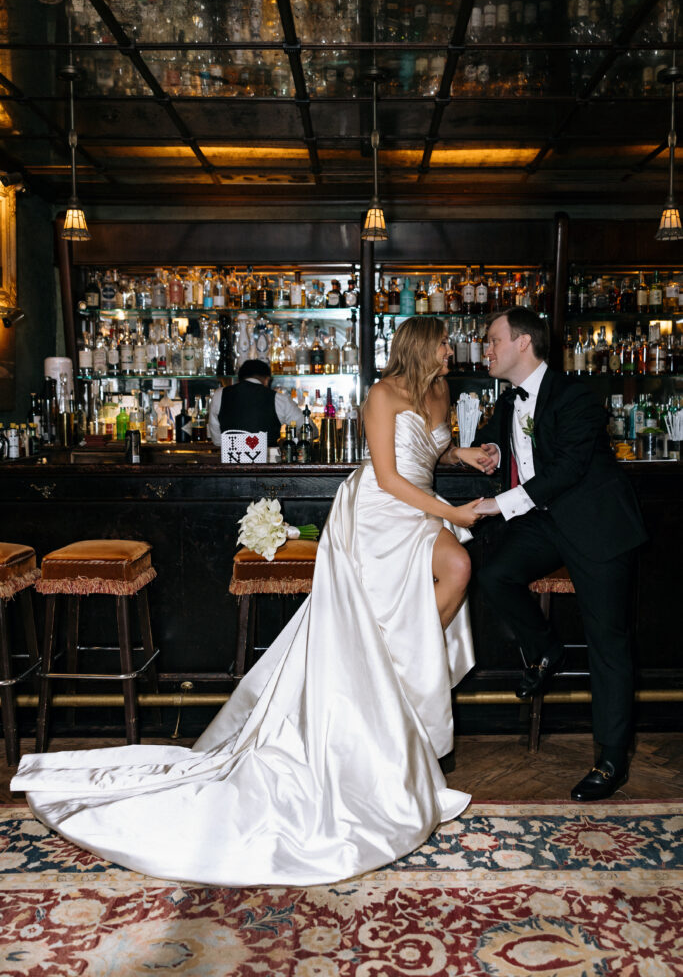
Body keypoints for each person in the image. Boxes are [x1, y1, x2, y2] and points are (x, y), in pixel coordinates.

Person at [12, 317, 487, 887]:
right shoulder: (383, 393)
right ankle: (380, 680)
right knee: (452, 565)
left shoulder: (442, 390)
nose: (453, 347)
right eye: (443, 341)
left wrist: (465, 456)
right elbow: (387, 475)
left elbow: (429, 450)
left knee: (456, 570)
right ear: (420, 344)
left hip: (421, 503)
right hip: (381, 512)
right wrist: (455, 515)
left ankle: (389, 672)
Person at [461, 307, 647, 802]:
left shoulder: (576, 395)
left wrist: (497, 504)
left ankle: (610, 761)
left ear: (524, 343)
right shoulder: (507, 401)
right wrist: (496, 455)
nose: (486, 348)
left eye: (493, 339)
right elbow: (515, 451)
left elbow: (567, 468)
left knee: (608, 643)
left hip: (597, 523)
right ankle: (545, 648)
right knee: (495, 573)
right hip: (547, 522)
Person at [207, 358, 316, 447]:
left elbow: (217, 441)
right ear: (267, 380)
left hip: (230, 469)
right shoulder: (278, 399)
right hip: (266, 470)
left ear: (239, 380)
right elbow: (311, 431)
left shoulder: (219, 395)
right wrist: (289, 439)